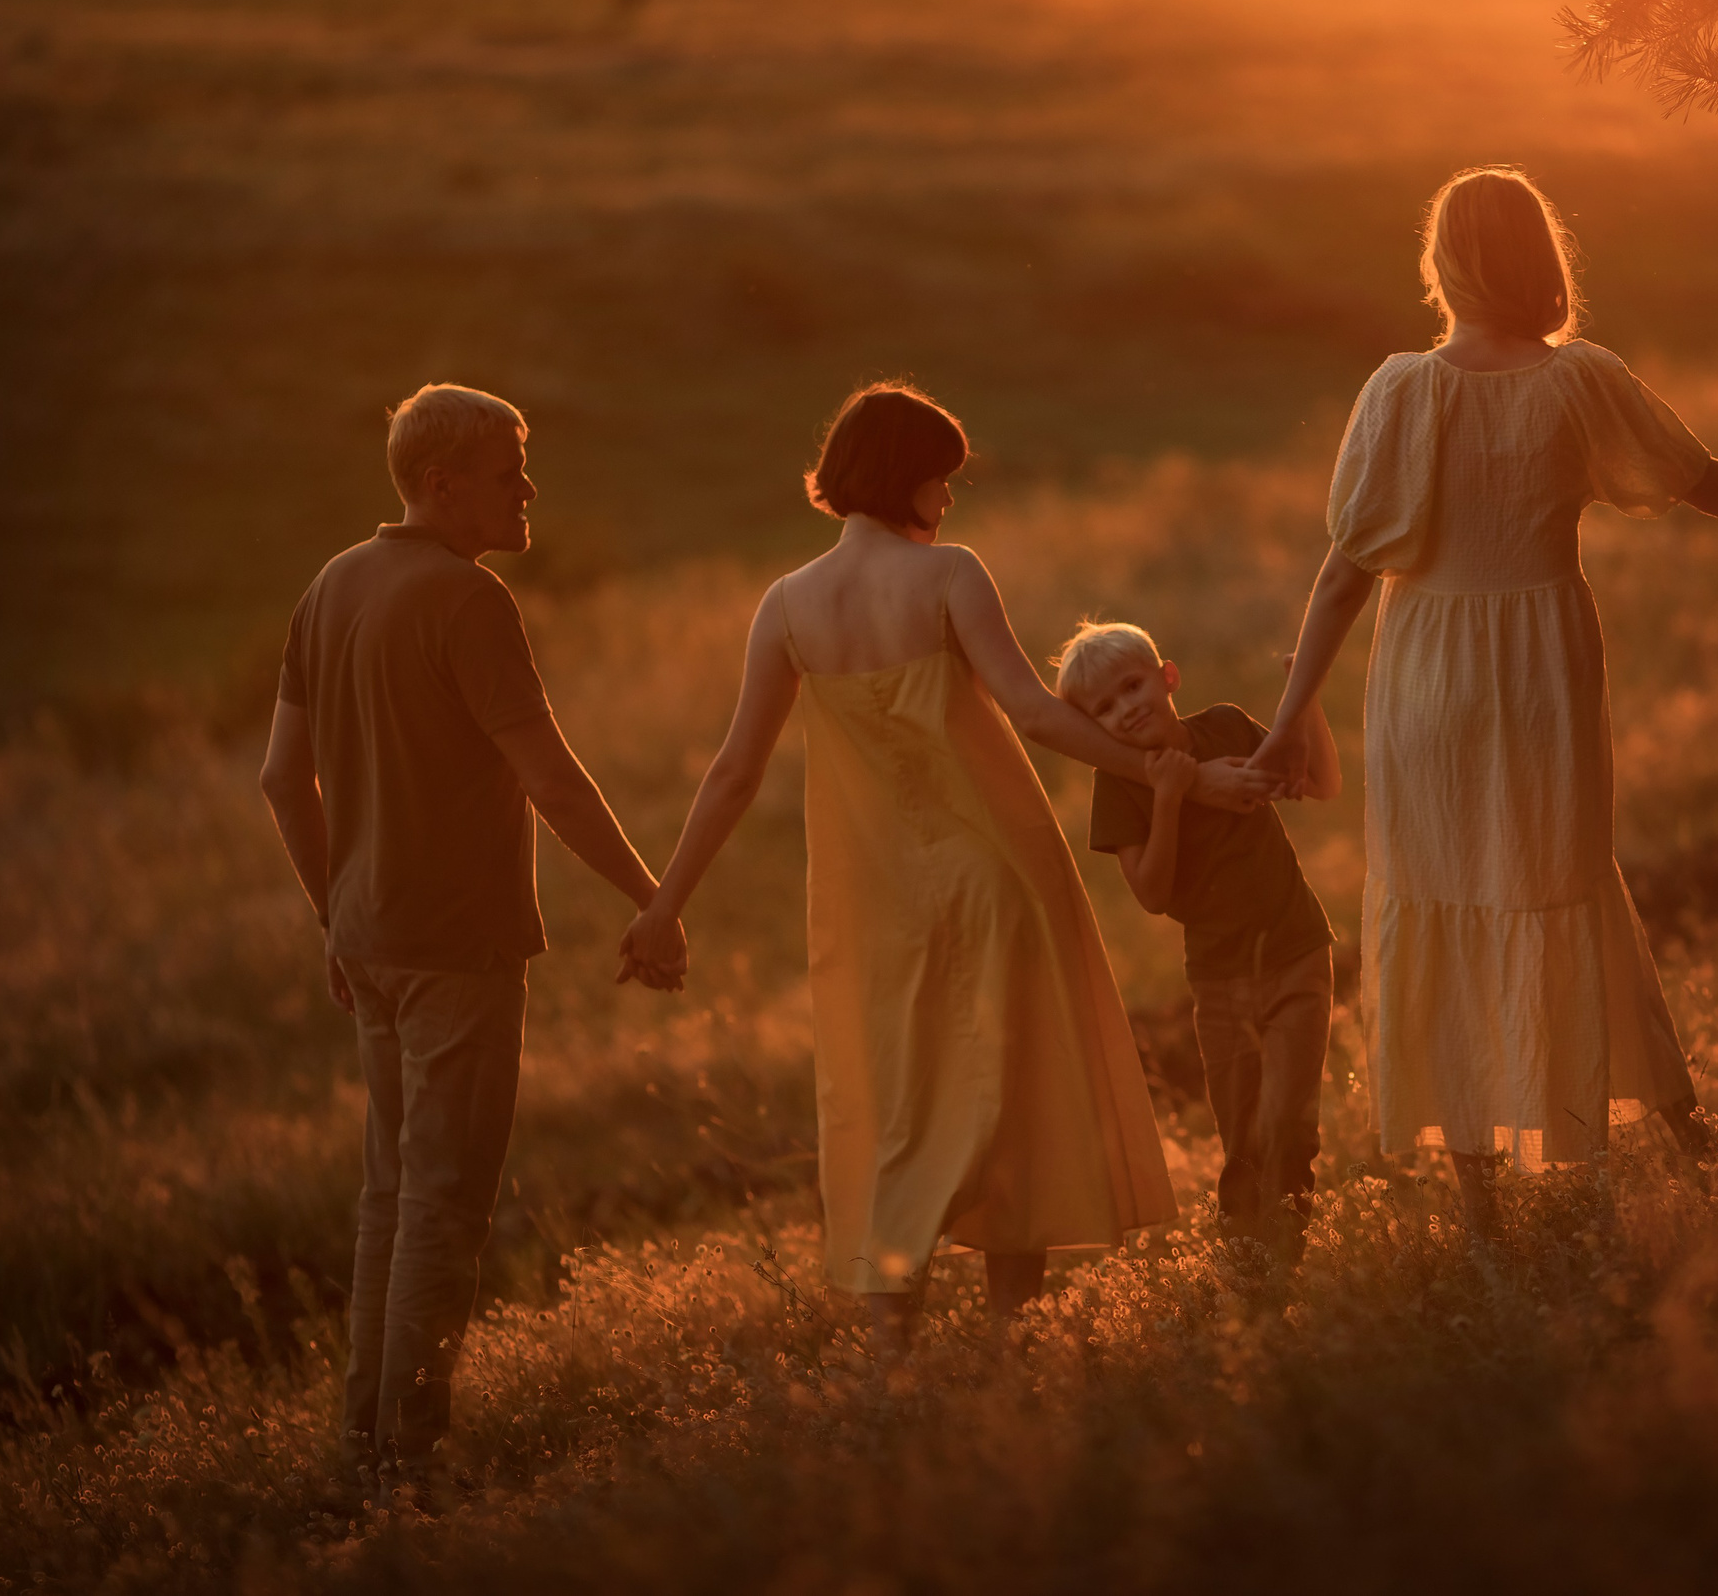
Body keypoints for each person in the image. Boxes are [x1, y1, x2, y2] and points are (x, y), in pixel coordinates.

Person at [1245, 167, 1718, 1236]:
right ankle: (1662, 1148)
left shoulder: (1401, 390)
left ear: (1445, 263)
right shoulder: (1579, 380)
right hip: (1541, 665)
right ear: (1538, 260)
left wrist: (1289, 720)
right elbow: (1708, 481)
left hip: (1425, 672)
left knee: (1442, 893)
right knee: (1563, 886)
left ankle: (1481, 1212)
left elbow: (1343, 574)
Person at [618, 383, 1274, 1358]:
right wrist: (1170, 776)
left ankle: (895, 1364)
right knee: (1018, 1107)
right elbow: (1040, 714)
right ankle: (1011, 1349)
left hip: (874, 905)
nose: (949, 502)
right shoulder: (949, 577)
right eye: (943, 480)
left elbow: (731, 773)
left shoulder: (788, 606)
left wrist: (664, 906)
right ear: (909, 478)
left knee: (895, 1116)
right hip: (997, 876)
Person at [258, 383, 680, 1505]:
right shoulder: (466, 600)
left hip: (374, 944)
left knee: (389, 1198)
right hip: (456, 949)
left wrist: (331, 916)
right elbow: (549, 778)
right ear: (440, 485)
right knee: (441, 1207)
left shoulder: (331, 584)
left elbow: (278, 780)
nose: (529, 487)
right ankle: (406, 1469)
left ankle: (364, 1447)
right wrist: (654, 896)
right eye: (509, 470)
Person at [1055, 622, 1340, 1259]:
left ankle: (1287, 1255)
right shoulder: (1121, 786)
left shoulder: (1229, 729)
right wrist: (1168, 798)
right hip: (1221, 982)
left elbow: (1322, 783)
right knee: (1243, 1135)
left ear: (1168, 678)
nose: (1125, 709)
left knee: (1291, 1125)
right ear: (1092, 728)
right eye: (1104, 708)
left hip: (1298, 951)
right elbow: (1153, 895)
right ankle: (1248, 1266)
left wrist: (1305, 700)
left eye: (1132, 687)